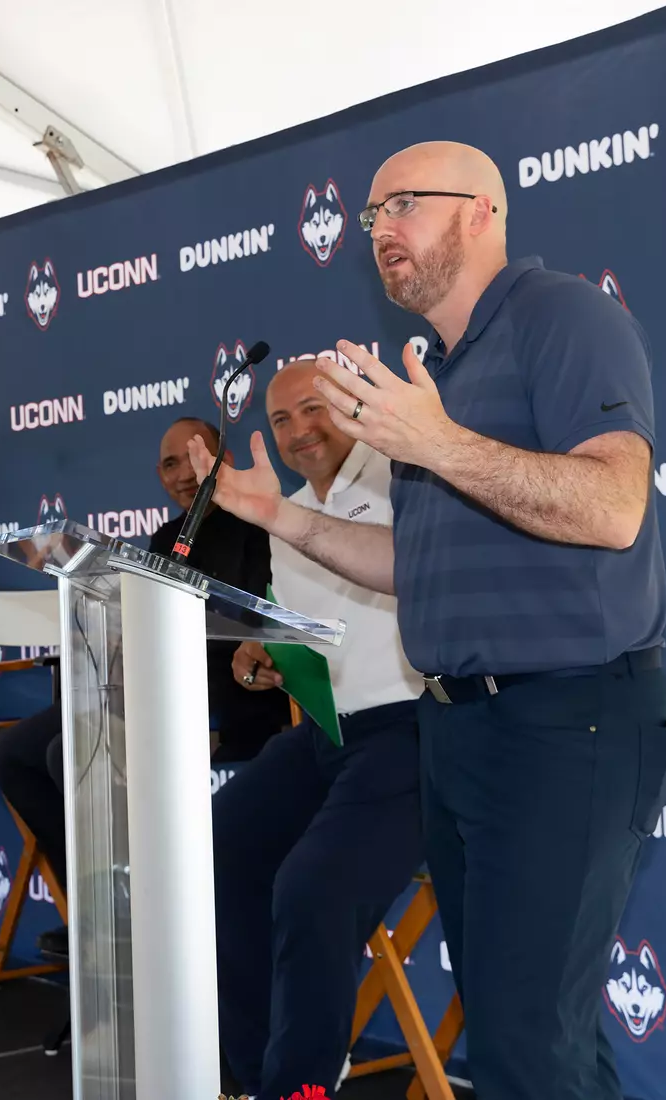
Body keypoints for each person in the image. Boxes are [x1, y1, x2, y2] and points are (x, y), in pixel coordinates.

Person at [189, 141, 666, 1100]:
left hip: (566, 719)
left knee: (524, 1053)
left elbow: (615, 509)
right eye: (372, 216)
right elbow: (415, 567)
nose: (380, 231)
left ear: (483, 212)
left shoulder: (564, 316)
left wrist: (440, 442)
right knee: (532, 1034)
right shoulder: (434, 372)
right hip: (455, 727)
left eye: (403, 204)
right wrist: (278, 515)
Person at [0, 417, 288, 955]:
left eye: (193, 458)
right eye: (169, 464)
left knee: (70, 754)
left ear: (223, 459)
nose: (182, 474)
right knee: (11, 751)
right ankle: (97, 904)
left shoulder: (262, 525)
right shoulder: (165, 540)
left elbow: (267, 627)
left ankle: (137, 904)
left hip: (231, 696)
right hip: (154, 686)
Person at [212, 358, 426, 1099]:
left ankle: (300, 1087)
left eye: (313, 410)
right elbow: (312, 641)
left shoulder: (408, 477)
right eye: (279, 420)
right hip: (329, 732)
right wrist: (262, 659)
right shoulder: (287, 509)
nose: (299, 431)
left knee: (310, 888)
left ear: (349, 403)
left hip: (417, 729)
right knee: (218, 846)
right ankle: (253, 1075)